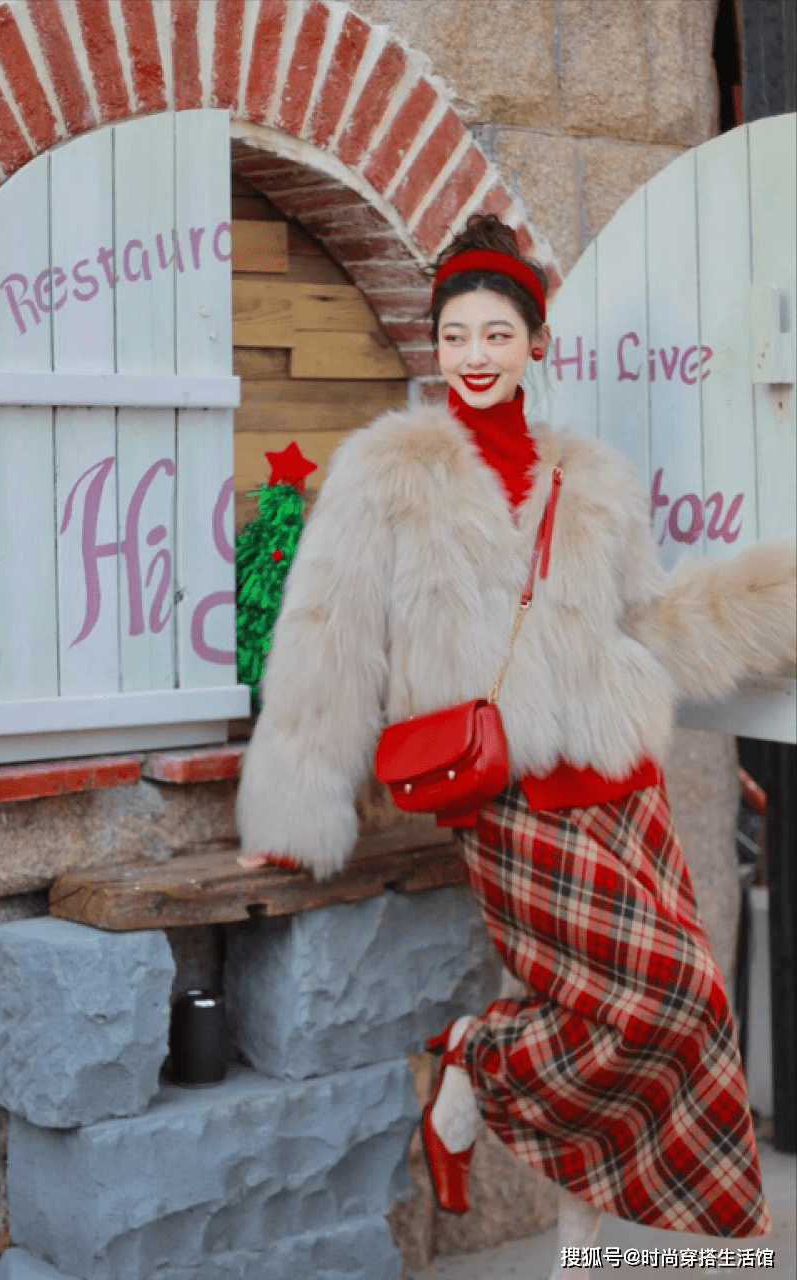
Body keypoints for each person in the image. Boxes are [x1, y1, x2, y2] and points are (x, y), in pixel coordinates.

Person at [235, 214, 795, 1279]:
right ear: (436, 343)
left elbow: (646, 621)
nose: (475, 355)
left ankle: (618, 1252)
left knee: (659, 1008)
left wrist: (773, 603)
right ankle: (477, 1059)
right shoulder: (388, 472)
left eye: (497, 334)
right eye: (456, 335)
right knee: (667, 994)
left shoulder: (593, 477)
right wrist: (295, 805)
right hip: (509, 794)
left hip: (622, 781)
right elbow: (328, 638)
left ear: (537, 344)